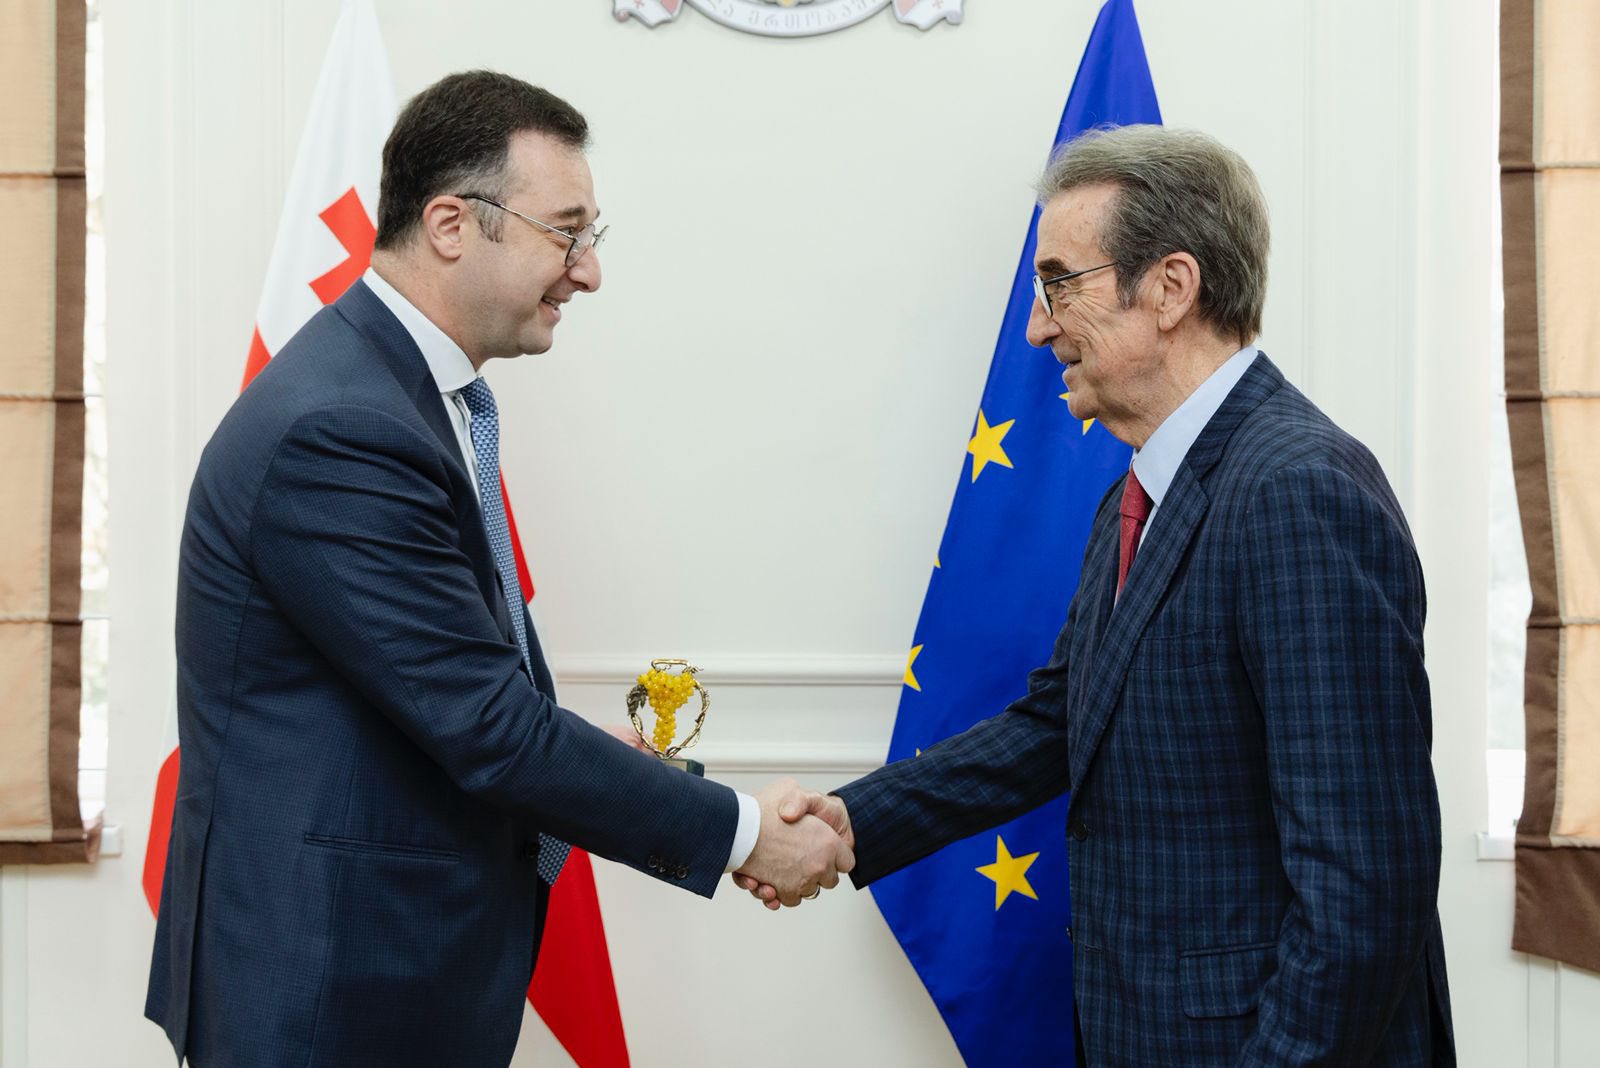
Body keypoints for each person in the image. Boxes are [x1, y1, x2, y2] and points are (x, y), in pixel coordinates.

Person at [145, 70, 850, 1067]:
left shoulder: (399, 393)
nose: (587, 273)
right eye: (566, 233)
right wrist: (743, 833)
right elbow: (486, 727)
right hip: (328, 988)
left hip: (382, 967)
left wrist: (590, 757)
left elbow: (432, 689)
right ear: (449, 225)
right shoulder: (344, 426)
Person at [740, 125, 1456, 1065]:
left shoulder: (1296, 489)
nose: (1037, 329)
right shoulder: (1138, 491)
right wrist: (854, 820)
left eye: (1059, 285)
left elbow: (1365, 882)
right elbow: (1062, 721)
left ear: (1171, 288)